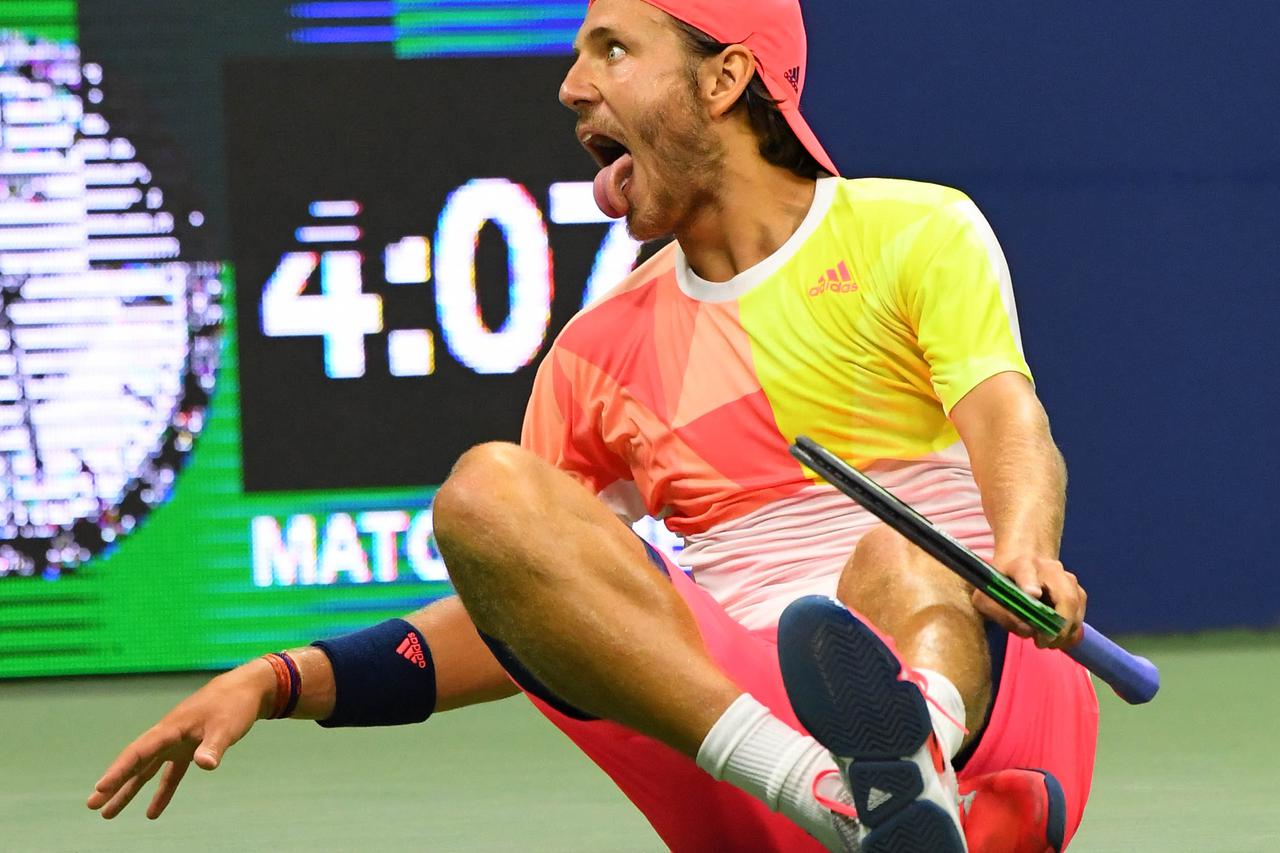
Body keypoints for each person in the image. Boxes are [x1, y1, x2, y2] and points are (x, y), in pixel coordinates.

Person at [87, 1, 1099, 850]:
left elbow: (1004, 413)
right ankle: (854, 803)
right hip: (760, 740)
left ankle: (908, 765)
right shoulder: (595, 352)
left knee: (889, 561)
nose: (572, 84)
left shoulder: (910, 231)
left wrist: (1024, 550)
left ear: (723, 78)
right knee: (487, 492)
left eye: (612, 50)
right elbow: (527, 610)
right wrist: (279, 679)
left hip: (989, 689)